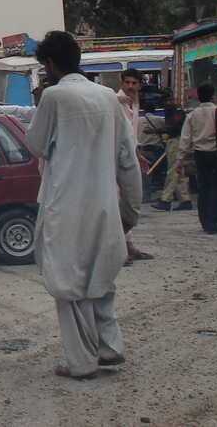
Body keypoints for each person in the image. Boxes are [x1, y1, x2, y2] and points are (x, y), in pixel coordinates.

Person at [26, 30, 142, 380]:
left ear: (49, 64)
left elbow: (37, 145)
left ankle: (81, 362)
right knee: (101, 278)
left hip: (66, 206)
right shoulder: (108, 97)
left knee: (67, 282)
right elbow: (129, 160)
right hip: (105, 204)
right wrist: (130, 212)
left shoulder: (55, 97)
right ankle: (109, 348)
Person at [178, 82, 217, 234]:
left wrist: (180, 159)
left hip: (200, 155)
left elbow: (185, 138)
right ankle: (213, 224)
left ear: (199, 97)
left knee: (204, 187)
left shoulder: (192, 115)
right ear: (213, 96)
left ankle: (204, 222)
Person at [117, 68, 153, 263]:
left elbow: (132, 133)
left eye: (134, 83)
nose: (130, 87)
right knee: (120, 202)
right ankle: (118, 248)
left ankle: (127, 245)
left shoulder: (135, 102)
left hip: (129, 158)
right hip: (116, 159)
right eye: (127, 83)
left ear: (139, 85)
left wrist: (138, 154)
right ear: (121, 83)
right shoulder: (117, 99)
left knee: (131, 202)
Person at [152, 100, 192, 211]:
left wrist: (156, 131)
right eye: (166, 100)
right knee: (178, 173)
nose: (168, 102)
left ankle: (166, 200)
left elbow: (174, 126)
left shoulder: (177, 111)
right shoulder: (169, 111)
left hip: (176, 141)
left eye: (170, 99)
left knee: (173, 171)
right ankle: (185, 200)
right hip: (173, 141)